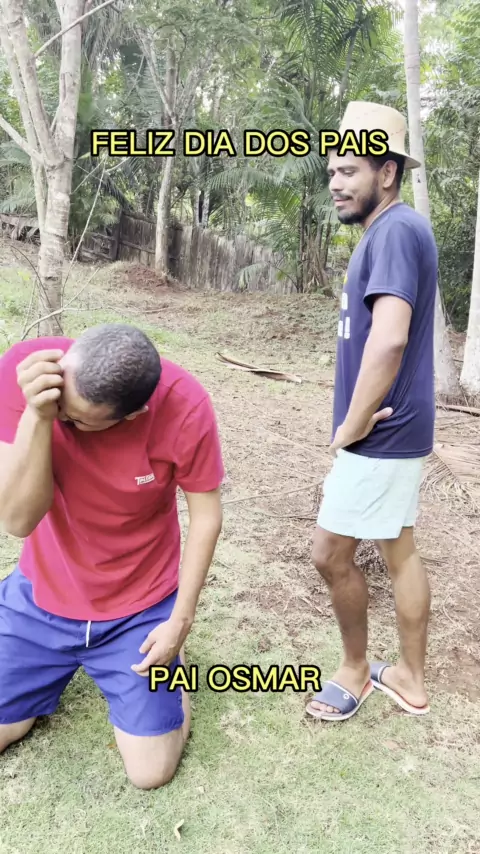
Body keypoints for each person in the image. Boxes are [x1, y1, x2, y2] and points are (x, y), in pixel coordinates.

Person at [0, 323, 224, 787]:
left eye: (77, 421)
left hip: (139, 604)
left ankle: (171, 676)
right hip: (43, 593)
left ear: (133, 414)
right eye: (62, 408)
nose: (65, 421)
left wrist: (180, 620)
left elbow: (206, 517)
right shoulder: (29, 374)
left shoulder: (185, 406)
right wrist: (38, 416)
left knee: (150, 772)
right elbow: (18, 520)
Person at [306, 102, 437, 721]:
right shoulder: (391, 231)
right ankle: (409, 677)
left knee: (330, 553)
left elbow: (388, 340)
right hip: (398, 429)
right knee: (398, 549)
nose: (336, 182)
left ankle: (355, 670)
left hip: (380, 434)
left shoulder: (394, 232)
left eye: (350, 170)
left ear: (387, 173)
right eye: (333, 170)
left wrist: (353, 425)